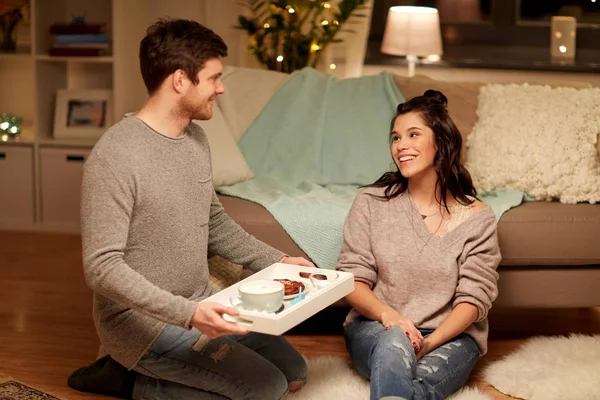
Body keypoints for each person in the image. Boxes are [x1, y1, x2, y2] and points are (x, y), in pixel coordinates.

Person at [79, 18, 313, 400]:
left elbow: (216, 222)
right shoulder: (115, 157)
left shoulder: (196, 139)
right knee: (267, 389)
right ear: (180, 80)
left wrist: (278, 260)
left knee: (295, 373)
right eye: (213, 78)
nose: (221, 88)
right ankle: (129, 380)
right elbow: (101, 267)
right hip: (145, 325)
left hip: (204, 305)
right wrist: (188, 315)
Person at [336, 90, 501, 400]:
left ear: (442, 141)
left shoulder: (477, 218)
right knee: (393, 343)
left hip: (451, 337)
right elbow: (351, 280)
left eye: (413, 134)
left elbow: (474, 298)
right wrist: (392, 318)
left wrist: (429, 343)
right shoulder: (370, 203)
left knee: (420, 384)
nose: (401, 146)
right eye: (396, 137)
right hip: (377, 326)